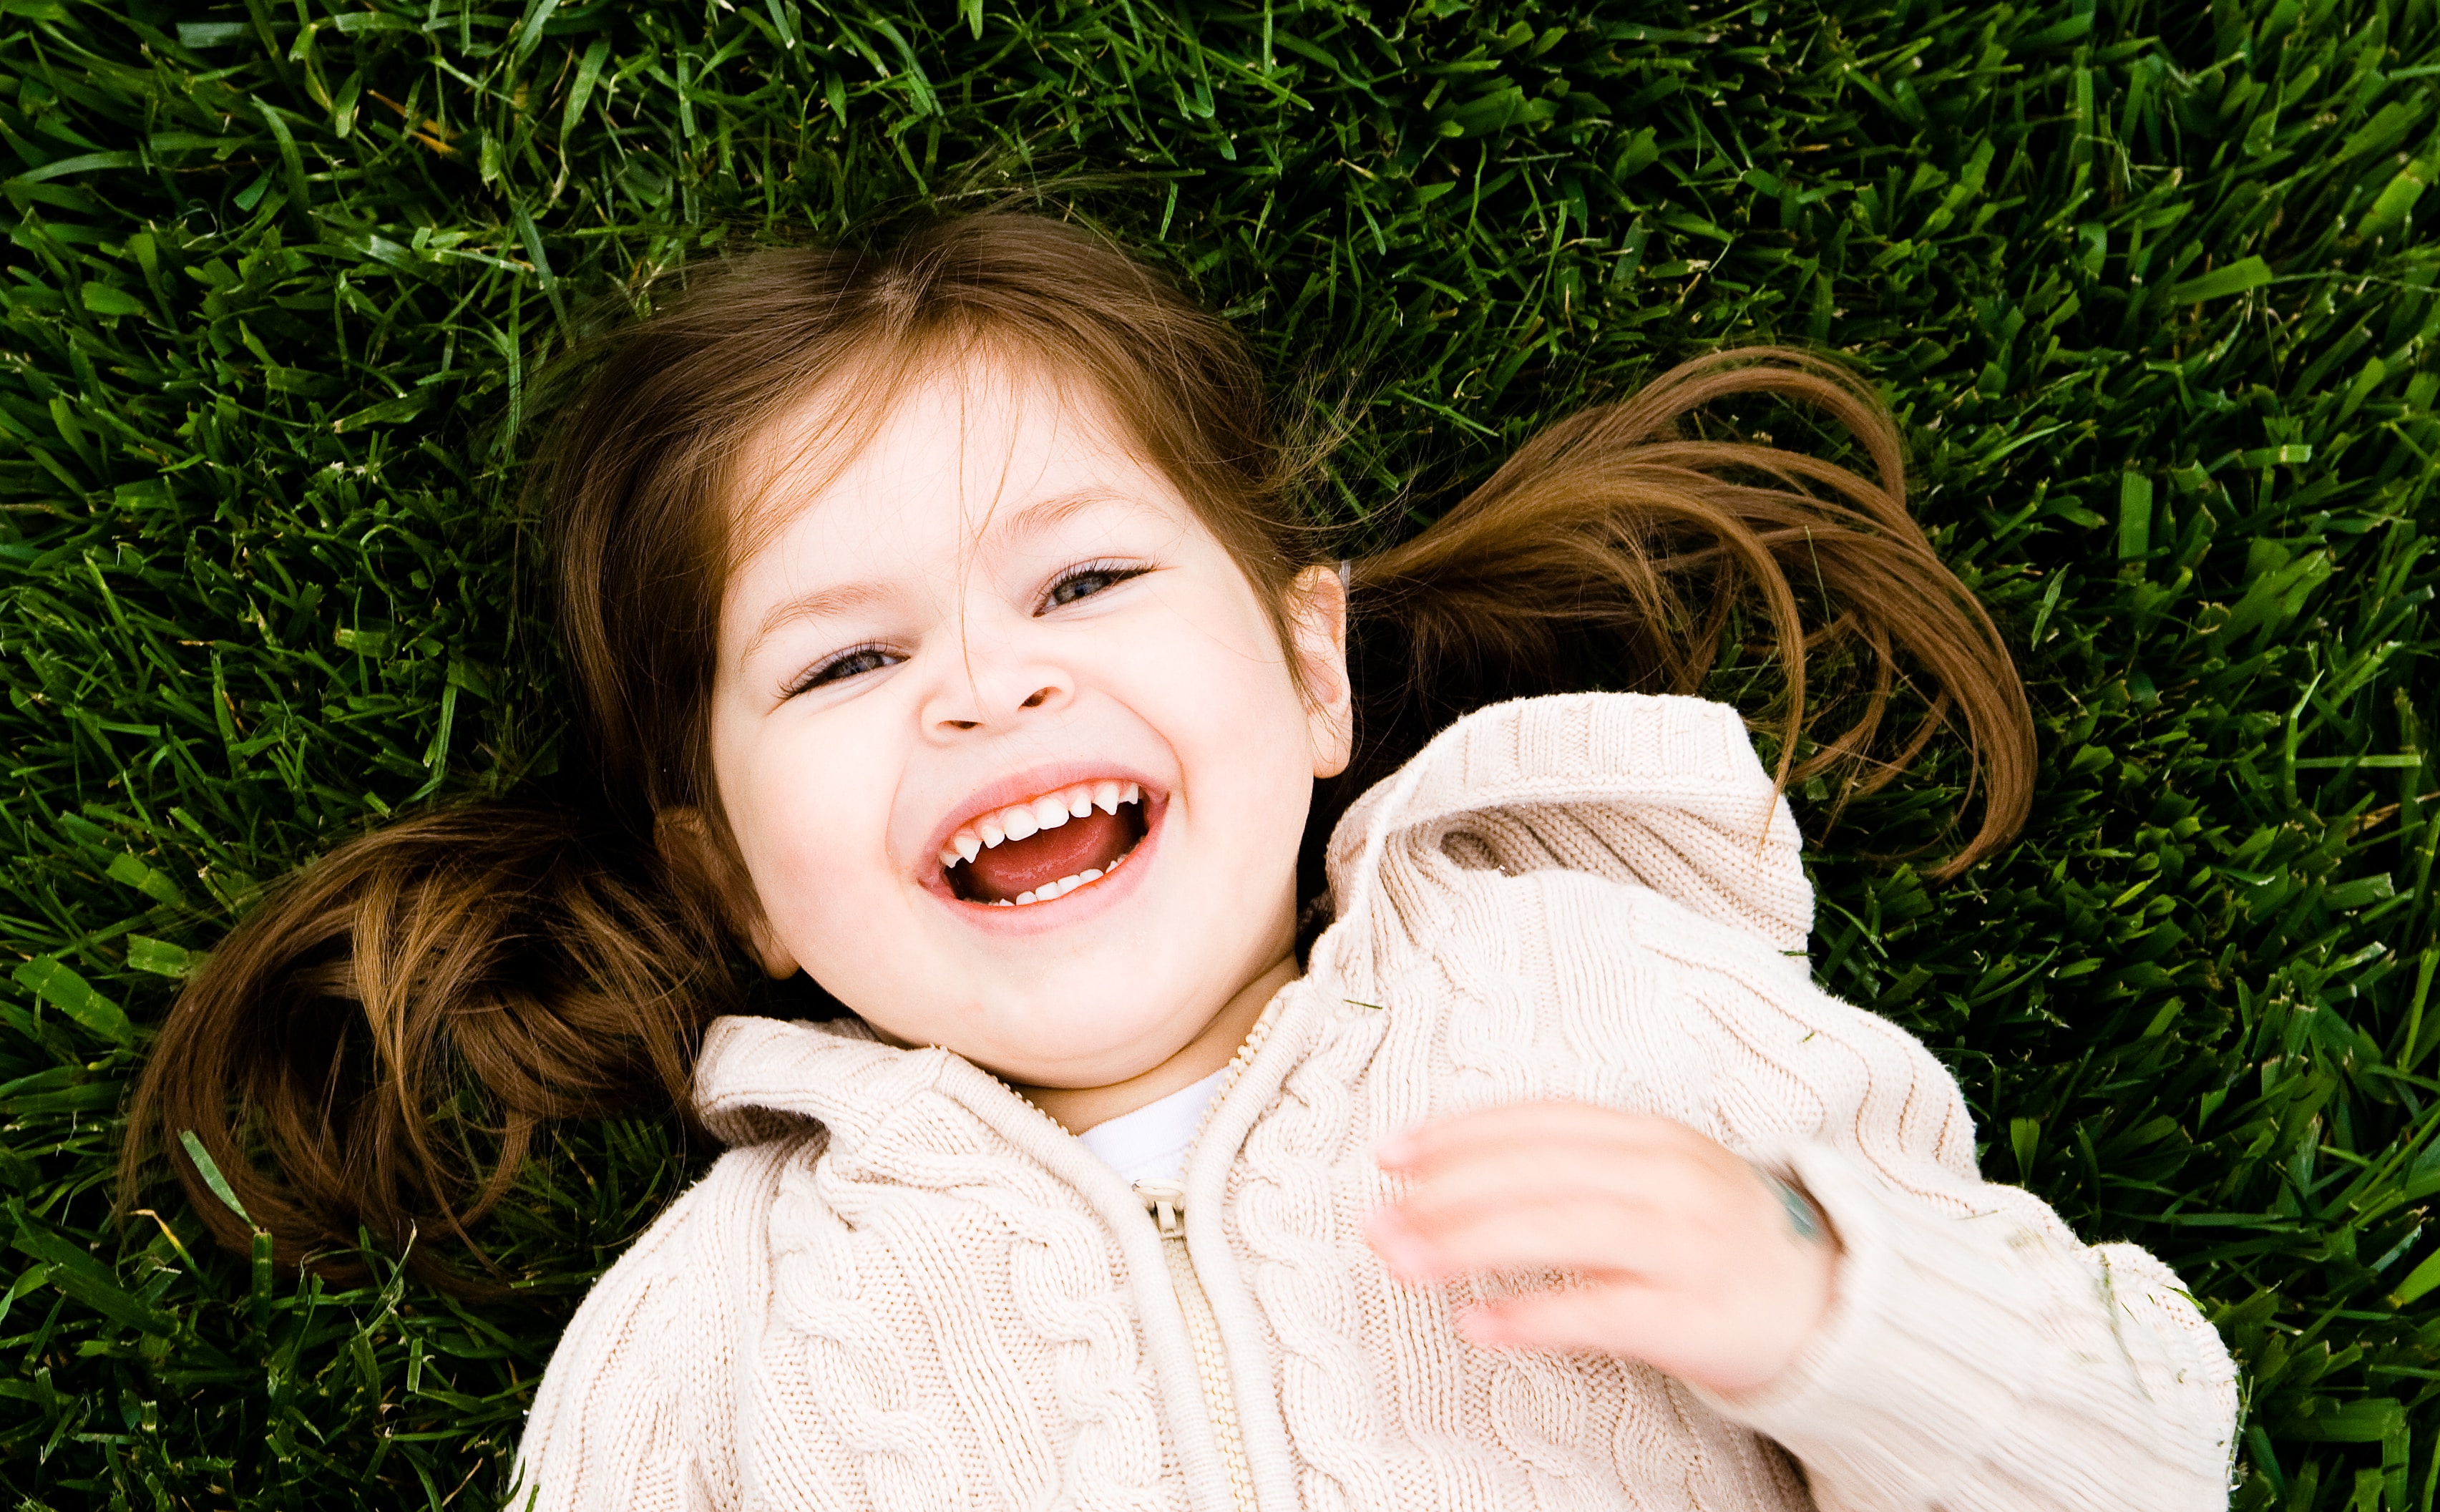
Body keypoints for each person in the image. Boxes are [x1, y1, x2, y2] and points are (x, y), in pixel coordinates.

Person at [127, 211, 2238, 1511]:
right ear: (734, 884)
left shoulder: (1606, 1004)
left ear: (1312, 671)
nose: (987, 689)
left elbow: (2144, 1453)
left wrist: (1823, 1301)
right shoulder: (715, 1337)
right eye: (848, 659)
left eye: (1085, 580)